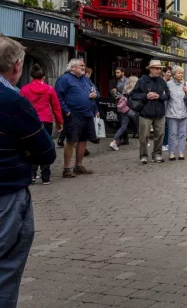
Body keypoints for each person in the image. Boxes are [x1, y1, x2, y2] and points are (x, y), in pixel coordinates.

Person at [0, 35, 56, 307]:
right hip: (6, 193)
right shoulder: (13, 101)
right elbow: (46, 152)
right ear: (16, 66)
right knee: (6, 265)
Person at [55, 58, 98, 178]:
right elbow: (58, 97)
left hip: (87, 113)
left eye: (84, 65)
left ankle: (78, 165)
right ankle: (66, 168)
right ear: (72, 68)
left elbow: (96, 90)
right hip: (73, 114)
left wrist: (95, 94)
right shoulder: (64, 79)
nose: (84, 67)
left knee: (83, 139)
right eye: (81, 65)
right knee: (71, 140)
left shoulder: (85, 79)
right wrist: (66, 111)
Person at [20, 64, 63, 185]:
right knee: (46, 146)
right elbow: (56, 108)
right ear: (43, 77)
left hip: (31, 121)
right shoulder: (49, 89)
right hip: (46, 120)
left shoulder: (24, 89)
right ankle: (46, 176)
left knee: (31, 146)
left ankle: (32, 174)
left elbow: (20, 107)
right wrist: (60, 123)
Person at [129, 60, 170, 164]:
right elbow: (133, 94)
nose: (159, 70)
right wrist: (145, 96)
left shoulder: (162, 81)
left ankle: (157, 154)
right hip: (145, 113)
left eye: (160, 68)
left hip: (159, 113)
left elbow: (168, 95)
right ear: (150, 69)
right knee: (144, 136)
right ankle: (143, 156)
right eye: (156, 68)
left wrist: (160, 96)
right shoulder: (142, 80)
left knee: (160, 135)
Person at [165, 66, 187, 161]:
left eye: (182, 73)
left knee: (182, 134)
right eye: (179, 73)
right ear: (174, 74)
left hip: (184, 112)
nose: (181, 75)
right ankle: (171, 153)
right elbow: (166, 99)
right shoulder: (168, 84)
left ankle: (181, 152)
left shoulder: (185, 83)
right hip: (172, 113)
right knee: (172, 134)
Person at [109, 76, 138, 151]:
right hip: (131, 110)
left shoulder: (125, 89)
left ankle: (113, 141)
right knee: (140, 124)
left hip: (124, 109)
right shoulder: (135, 90)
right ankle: (144, 141)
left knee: (123, 127)